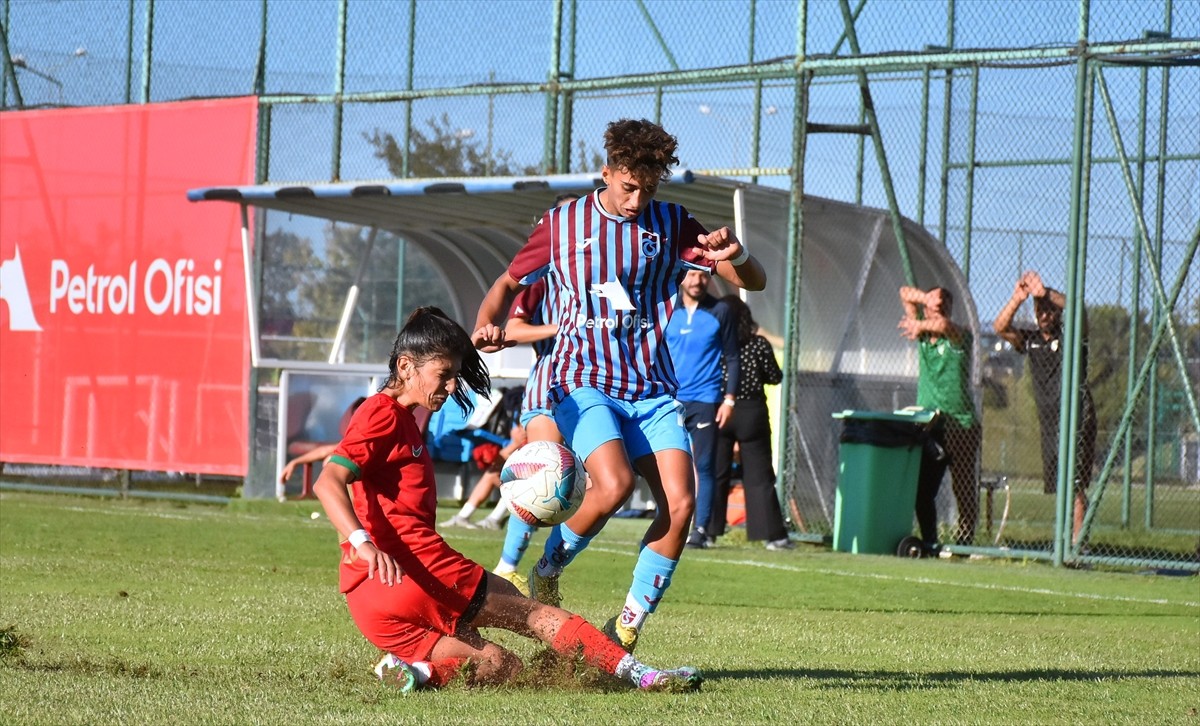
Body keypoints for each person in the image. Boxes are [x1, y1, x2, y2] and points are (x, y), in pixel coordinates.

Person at [473, 118, 766, 653]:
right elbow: (509, 282)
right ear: (606, 173)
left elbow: (754, 282)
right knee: (610, 486)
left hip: (650, 389)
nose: (636, 201)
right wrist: (485, 323)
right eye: (628, 187)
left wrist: (734, 254)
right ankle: (545, 568)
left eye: (647, 190)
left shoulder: (672, 224)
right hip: (580, 379)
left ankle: (625, 629)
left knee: (681, 506)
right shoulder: (563, 224)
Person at [312, 306, 702, 692]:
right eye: (443, 376)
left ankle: (417, 674)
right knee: (533, 613)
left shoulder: (398, 417)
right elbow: (328, 481)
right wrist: (365, 544)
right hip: (415, 570)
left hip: (370, 601)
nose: (450, 387)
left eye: (454, 376)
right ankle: (643, 676)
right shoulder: (381, 413)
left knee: (502, 664)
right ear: (405, 366)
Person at [993, 270, 1096, 545]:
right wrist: (1018, 298)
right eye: (1041, 310)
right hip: (1048, 421)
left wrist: (1045, 293)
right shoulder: (1031, 339)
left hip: (1075, 417)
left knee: (1074, 486)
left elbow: (1079, 310)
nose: (1045, 314)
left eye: (1050, 310)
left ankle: (1077, 546)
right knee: (1060, 485)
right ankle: (1065, 543)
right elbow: (1000, 327)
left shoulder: (1072, 336)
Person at [705, 295, 792, 550]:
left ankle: (707, 531)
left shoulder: (716, 346)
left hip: (721, 409)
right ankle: (773, 536)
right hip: (752, 411)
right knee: (759, 475)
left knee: (716, 472)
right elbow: (775, 377)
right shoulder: (758, 345)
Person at [898, 285, 981, 549]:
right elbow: (903, 293)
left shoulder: (960, 337)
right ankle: (930, 542)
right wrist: (925, 298)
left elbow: (945, 326)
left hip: (961, 425)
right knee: (923, 490)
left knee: (963, 487)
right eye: (934, 307)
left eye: (944, 307)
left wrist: (921, 325)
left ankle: (963, 543)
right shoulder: (923, 336)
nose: (939, 312)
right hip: (931, 425)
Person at [665, 270, 740, 549]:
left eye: (704, 276)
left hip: (706, 400)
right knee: (667, 467)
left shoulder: (720, 311)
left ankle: (700, 530)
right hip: (669, 400)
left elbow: (732, 357)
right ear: (682, 276)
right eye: (693, 275)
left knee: (704, 466)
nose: (698, 281)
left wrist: (729, 400)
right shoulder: (668, 308)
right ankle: (669, 523)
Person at [279, 396, 367, 485]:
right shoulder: (355, 440)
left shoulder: (371, 437)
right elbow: (324, 451)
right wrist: (295, 462)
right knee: (331, 460)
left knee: (336, 462)